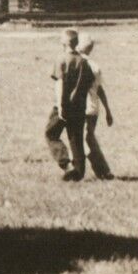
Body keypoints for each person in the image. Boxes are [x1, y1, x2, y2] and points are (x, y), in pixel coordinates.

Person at [45, 27, 95, 180]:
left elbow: (59, 83)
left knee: (51, 134)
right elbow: (89, 82)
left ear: (64, 42)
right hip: (79, 106)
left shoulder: (61, 59)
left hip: (63, 105)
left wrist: (60, 106)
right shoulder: (83, 62)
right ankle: (78, 173)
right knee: (76, 138)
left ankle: (66, 164)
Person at [78, 32, 114, 180]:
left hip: (82, 108)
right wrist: (108, 111)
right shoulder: (95, 65)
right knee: (88, 139)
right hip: (93, 108)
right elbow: (100, 89)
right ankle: (102, 171)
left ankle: (102, 171)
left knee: (87, 140)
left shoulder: (78, 63)